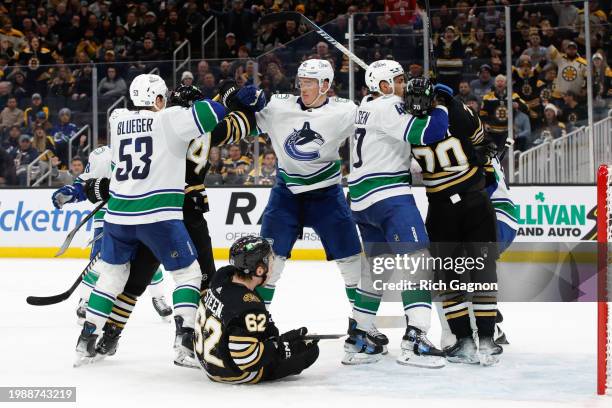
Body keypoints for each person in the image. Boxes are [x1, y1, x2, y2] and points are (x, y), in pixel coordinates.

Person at [71, 78, 263, 366]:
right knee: (197, 277)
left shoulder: (131, 118)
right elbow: (243, 123)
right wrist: (240, 102)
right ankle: (189, 339)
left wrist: (97, 187)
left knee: (129, 282)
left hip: (137, 211)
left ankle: (104, 336)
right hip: (175, 212)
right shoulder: (185, 123)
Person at [345, 60, 449, 367]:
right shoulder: (389, 105)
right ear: (385, 86)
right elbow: (430, 131)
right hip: (388, 196)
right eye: (400, 80)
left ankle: (359, 340)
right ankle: (415, 341)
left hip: (362, 201)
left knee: (376, 272)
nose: (405, 86)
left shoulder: (365, 106)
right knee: (417, 261)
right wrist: (439, 103)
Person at [254, 60, 363, 343]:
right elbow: (246, 124)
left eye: (310, 83)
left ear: (326, 85)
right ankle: (256, 322)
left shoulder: (345, 111)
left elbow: (377, 120)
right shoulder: (279, 106)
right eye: (301, 82)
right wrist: (237, 102)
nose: (303, 88)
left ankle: (361, 324)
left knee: (351, 259)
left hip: (327, 194)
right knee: (268, 261)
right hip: (286, 193)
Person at [406, 78, 501, 366]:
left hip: (442, 209)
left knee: (449, 277)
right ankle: (486, 338)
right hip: (474, 202)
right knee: (484, 272)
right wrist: (454, 102)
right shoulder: (454, 114)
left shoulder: (408, 128)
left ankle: (464, 340)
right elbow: (481, 140)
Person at [194, 235, 319, 384]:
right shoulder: (249, 306)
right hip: (231, 372)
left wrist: (274, 336)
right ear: (259, 271)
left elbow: (229, 314)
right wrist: (284, 346)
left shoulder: (223, 275)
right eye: (270, 263)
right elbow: (246, 360)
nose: (272, 268)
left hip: (208, 362)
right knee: (310, 353)